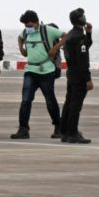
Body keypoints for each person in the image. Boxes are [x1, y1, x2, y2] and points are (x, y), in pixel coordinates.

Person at [10, 10, 64, 139]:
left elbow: (66, 35)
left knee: (50, 100)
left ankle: (58, 126)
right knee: (25, 100)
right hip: (30, 71)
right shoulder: (25, 32)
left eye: (29, 25)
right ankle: (23, 129)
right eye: (25, 26)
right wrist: (21, 48)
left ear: (36, 22)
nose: (27, 28)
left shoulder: (48, 31)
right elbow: (20, 37)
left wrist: (54, 48)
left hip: (47, 71)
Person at [60, 8, 93, 144]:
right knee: (75, 104)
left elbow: (85, 46)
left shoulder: (70, 35)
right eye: (83, 16)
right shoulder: (79, 37)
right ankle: (73, 132)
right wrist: (88, 79)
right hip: (79, 74)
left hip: (71, 73)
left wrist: (89, 34)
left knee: (69, 102)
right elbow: (82, 59)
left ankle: (65, 131)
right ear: (80, 19)